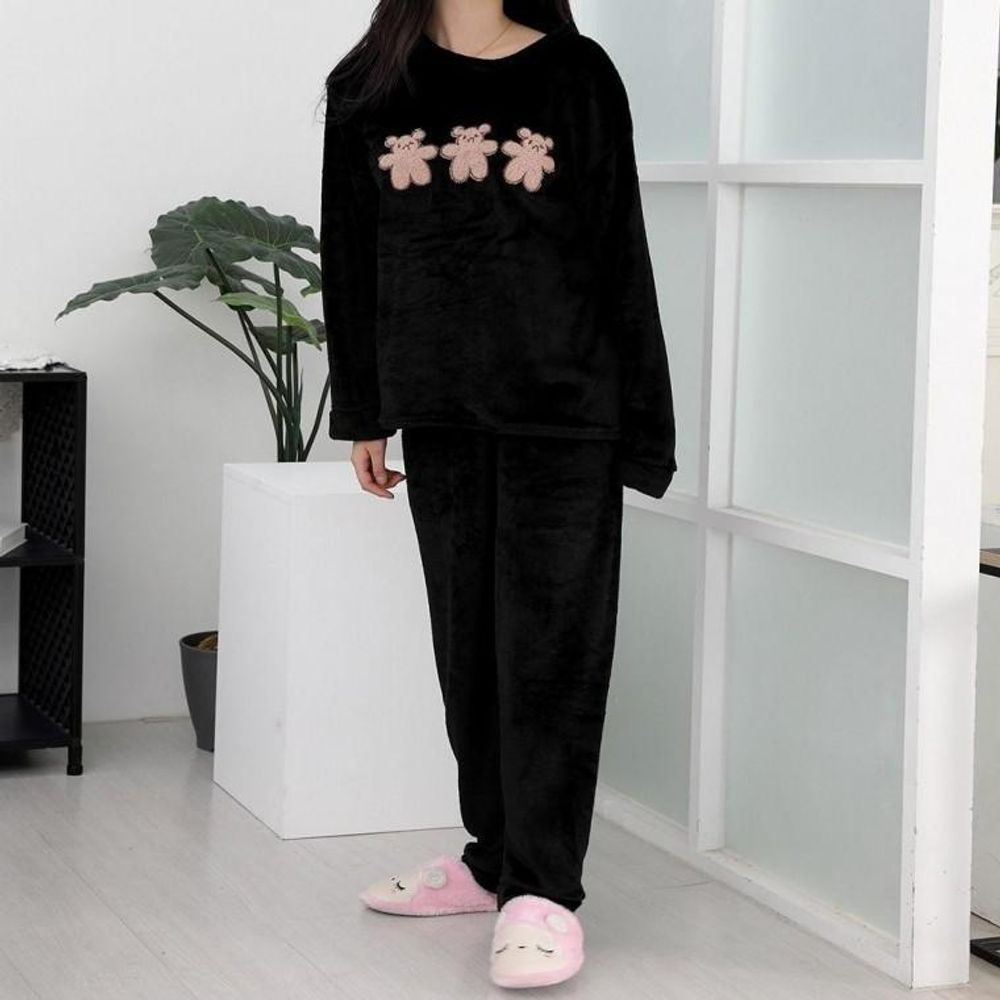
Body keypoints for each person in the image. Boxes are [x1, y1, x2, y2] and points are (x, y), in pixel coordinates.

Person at [320, 0, 677, 988]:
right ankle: (492, 862)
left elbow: (620, 247)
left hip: (565, 410)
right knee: (467, 651)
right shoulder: (367, 85)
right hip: (438, 411)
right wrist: (363, 411)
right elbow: (348, 253)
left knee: (551, 657)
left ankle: (544, 891)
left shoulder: (576, 74)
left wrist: (644, 425)